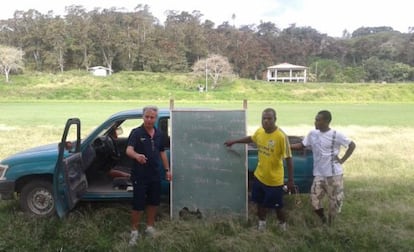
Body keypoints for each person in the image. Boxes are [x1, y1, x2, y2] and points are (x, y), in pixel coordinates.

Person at [224, 108, 294, 231]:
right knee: (259, 203)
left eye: (269, 118)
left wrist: (290, 180)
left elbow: (288, 159)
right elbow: (251, 138)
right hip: (260, 176)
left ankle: (283, 227)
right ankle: (261, 225)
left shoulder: (281, 137)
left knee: (278, 207)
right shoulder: (260, 132)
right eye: (264, 118)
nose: (266, 121)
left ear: (275, 120)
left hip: (274, 181)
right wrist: (234, 141)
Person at [291, 110, 355, 225]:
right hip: (319, 174)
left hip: (334, 175)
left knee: (334, 203)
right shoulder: (312, 134)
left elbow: (352, 145)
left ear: (326, 121)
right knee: (314, 200)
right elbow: (301, 145)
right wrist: (286, 146)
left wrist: (342, 160)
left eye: (318, 120)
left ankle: (331, 225)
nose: (315, 122)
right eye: (315, 119)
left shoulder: (336, 135)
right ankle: (323, 220)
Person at [126, 105, 171, 245]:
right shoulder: (136, 133)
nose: (149, 120)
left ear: (155, 118)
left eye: (152, 117)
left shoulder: (159, 134)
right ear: (143, 117)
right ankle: (134, 231)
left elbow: (162, 152)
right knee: (138, 204)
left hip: (155, 175)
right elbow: (128, 150)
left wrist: (167, 170)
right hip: (140, 175)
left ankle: (150, 227)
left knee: (153, 202)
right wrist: (136, 156)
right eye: (147, 117)